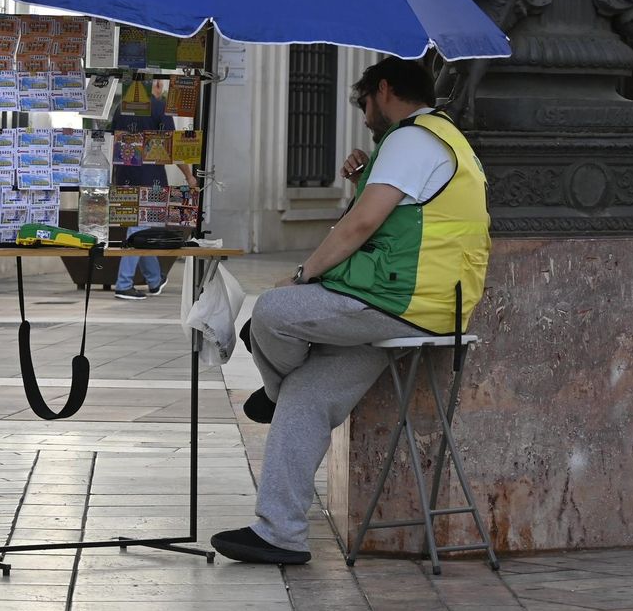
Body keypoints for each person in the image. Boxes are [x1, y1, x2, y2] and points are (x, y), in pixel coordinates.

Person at [210, 58, 491, 565]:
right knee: (306, 394)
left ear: (383, 91)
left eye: (362, 103)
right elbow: (400, 222)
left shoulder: (411, 139)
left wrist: (301, 276)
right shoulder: (444, 139)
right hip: (427, 308)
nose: (363, 117)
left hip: (399, 302)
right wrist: (364, 176)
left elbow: (362, 226)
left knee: (271, 312)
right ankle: (280, 533)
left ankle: (271, 392)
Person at [110, 85, 198, 301]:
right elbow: (174, 147)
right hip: (152, 180)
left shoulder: (121, 108)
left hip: (124, 176)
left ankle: (155, 279)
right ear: (156, 86)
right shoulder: (159, 108)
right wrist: (189, 176)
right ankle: (123, 284)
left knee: (145, 229)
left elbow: (113, 142)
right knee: (140, 229)